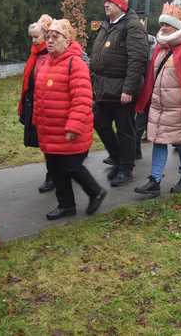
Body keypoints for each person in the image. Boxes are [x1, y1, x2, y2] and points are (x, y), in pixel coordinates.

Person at [33, 19, 107, 220]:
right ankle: (66, 206)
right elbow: (40, 96)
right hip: (50, 130)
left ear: (67, 41)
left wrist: (73, 126)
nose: (49, 41)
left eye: (55, 37)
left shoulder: (76, 63)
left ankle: (96, 192)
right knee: (56, 170)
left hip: (71, 131)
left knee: (71, 167)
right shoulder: (45, 62)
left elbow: (82, 99)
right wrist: (37, 121)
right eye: (48, 37)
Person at [134, 1, 181, 196]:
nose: (163, 27)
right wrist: (145, 101)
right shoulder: (162, 48)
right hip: (160, 107)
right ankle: (155, 181)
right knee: (159, 140)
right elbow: (152, 78)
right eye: (162, 24)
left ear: (177, 26)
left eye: (168, 24)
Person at [90, 0, 149, 187]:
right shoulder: (108, 24)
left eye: (110, 1)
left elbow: (137, 59)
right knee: (100, 123)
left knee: (125, 129)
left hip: (122, 89)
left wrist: (128, 89)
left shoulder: (132, 26)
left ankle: (126, 168)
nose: (106, 4)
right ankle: (117, 159)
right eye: (105, 0)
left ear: (121, 5)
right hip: (104, 88)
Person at [19, 15, 55, 193]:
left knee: (49, 142)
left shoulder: (49, 54)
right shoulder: (35, 53)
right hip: (34, 103)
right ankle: (55, 173)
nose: (33, 41)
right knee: (44, 142)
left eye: (36, 36)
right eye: (32, 37)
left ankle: (53, 176)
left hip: (46, 104)